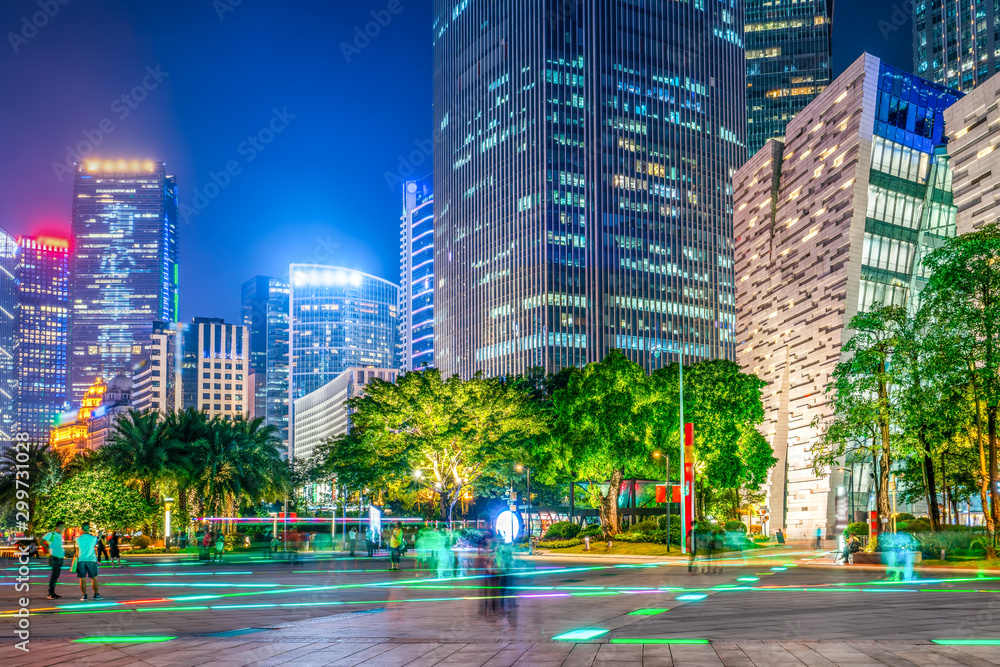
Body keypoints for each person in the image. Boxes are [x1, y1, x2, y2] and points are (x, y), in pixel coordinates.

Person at [72, 522, 102, 601]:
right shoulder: (93, 538)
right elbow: (98, 539)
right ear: (89, 529)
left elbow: (77, 549)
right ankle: (96, 594)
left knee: (82, 578)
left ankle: (84, 595)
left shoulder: (78, 539)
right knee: (94, 577)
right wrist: (100, 535)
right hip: (91, 560)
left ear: (81, 529)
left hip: (81, 559)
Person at [42, 521, 65, 600]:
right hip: (54, 558)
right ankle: (50, 593)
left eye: (64, 527)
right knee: (54, 575)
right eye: (62, 527)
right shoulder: (51, 534)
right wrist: (47, 548)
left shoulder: (60, 536)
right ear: (57, 527)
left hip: (60, 558)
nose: (63, 529)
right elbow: (41, 541)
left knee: (56, 576)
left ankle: (52, 592)